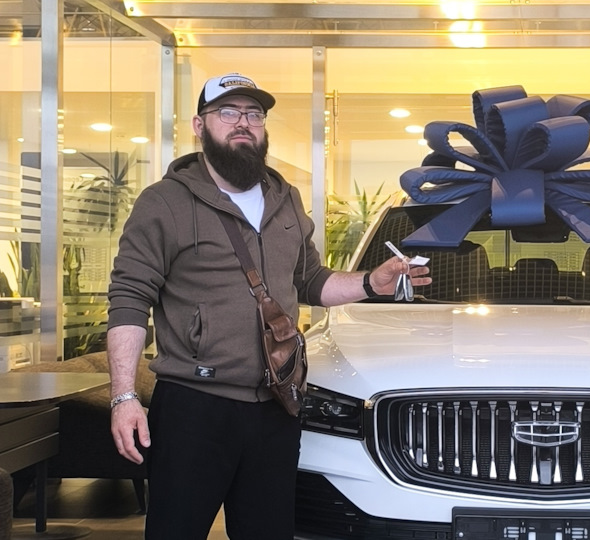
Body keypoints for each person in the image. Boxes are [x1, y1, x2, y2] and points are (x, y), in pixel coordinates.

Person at [106, 72, 430, 540]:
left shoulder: (285, 199)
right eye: (228, 112)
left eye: (254, 114)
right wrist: (124, 397)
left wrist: (371, 282)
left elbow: (311, 281)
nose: (243, 122)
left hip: (277, 405)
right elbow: (129, 298)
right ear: (199, 125)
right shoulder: (165, 203)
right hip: (195, 407)